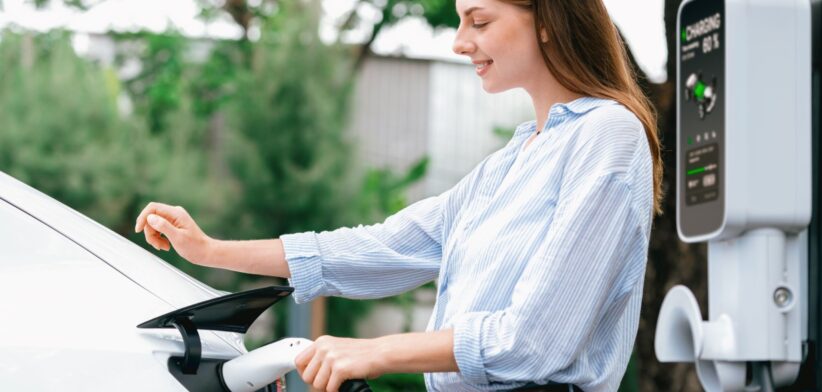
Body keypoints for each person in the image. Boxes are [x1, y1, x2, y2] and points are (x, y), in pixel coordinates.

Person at [134, 0, 662, 391]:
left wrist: (374, 353)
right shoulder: (512, 161)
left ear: (547, 20)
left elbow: (533, 339)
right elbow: (382, 248)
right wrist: (212, 250)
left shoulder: (606, 134)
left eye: (479, 21)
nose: (459, 41)